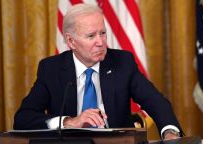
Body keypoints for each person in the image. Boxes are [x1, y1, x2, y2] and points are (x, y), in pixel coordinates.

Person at [13, 3, 183, 140]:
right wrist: (69, 122)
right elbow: (23, 118)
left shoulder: (122, 62)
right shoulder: (51, 68)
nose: (101, 42)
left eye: (102, 33)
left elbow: (155, 101)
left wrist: (170, 132)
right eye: (91, 36)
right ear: (71, 41)